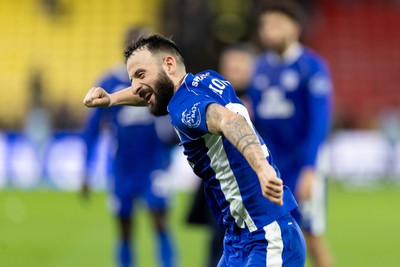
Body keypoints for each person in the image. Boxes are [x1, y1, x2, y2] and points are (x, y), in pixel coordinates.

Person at [83, 34, 306, 266]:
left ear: (169, 64)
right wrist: (111, 99)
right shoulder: (205, 80)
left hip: (266, 236)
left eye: (141, 75)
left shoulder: (185, 109)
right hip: (239, 239)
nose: (135, 87)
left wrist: (262, 169)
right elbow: (151, 90)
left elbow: (230, 122)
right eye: (132, 80)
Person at [248, 1, 334, 266]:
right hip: (272, 168)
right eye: (266, 25)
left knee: (311, 234)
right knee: (275, 236)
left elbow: (319, 122)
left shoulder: (312, 66)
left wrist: (310, 169)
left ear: (295, 28)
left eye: (277, 24)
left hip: (304, 164)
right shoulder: (260, 68)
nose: (270, 30)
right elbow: (256, 124)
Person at [81, 28, 176, 267]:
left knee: (160, 221)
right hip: (122, 166)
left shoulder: (159, 78)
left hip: (153, 163)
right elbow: (92, 128)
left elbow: (173, 121)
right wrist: (86, 168)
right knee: (124, 227)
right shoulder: (110, 80)